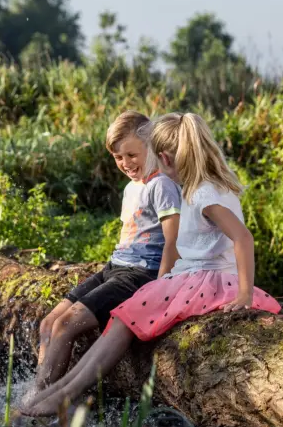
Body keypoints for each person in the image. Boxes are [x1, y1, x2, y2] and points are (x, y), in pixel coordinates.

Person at [19, 112, 282, 417]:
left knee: (124, 318)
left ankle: (64, 394)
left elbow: (243, 238)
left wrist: (245, 294)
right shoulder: (204, 188)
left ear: (166, 159)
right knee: (122, 317)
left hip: (202, 281)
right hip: (193, 277)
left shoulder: (203, 193)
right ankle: (59, 391)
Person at [33, 110, 182, 393]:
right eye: (118, 157)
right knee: (48, 323)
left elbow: (173, 241)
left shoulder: (161, 185)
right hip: (114, 267)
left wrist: (162, 287)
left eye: (131, 155)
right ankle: (39, 389)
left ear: (150, 146)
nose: (125, 163)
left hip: (140, 274)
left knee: (66, 325)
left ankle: (40, 403)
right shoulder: (130, 188)